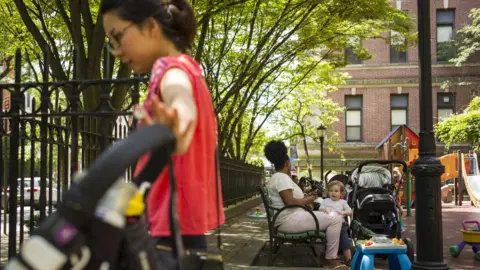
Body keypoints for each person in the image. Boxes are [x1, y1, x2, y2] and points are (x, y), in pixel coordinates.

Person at [100, 0, 225, 255]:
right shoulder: (191, 68)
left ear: (150, 27)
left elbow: (179, 95)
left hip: (167, 225)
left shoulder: (168, 68)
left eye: (118, 36)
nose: (116, 51)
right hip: (180, 223)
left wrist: (179, 118)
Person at [264, 140, 345, 269]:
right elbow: (289, 202)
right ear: (286, 163)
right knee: (336, 218)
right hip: (290, 221)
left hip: (291, 218)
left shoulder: (278, 177)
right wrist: (309, 200)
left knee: (331, 214)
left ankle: (329, 254)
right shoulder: (281, 178)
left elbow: (291, 199)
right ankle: (329, 258)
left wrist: (308, 196)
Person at [319, 181, 353, 265]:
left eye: (336, 191)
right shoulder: (325, 201)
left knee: (345, 242)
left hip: (341, 225)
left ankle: (349, 260)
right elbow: (320, 208)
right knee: (330, 241)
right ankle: (332, 258)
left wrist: (343, 212)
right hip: (329, 225)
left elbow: (350, 211)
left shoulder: (342, 202)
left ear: (341, 193)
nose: (333, 193)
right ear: (328, 192)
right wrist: (325, 209)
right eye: (331, 191)